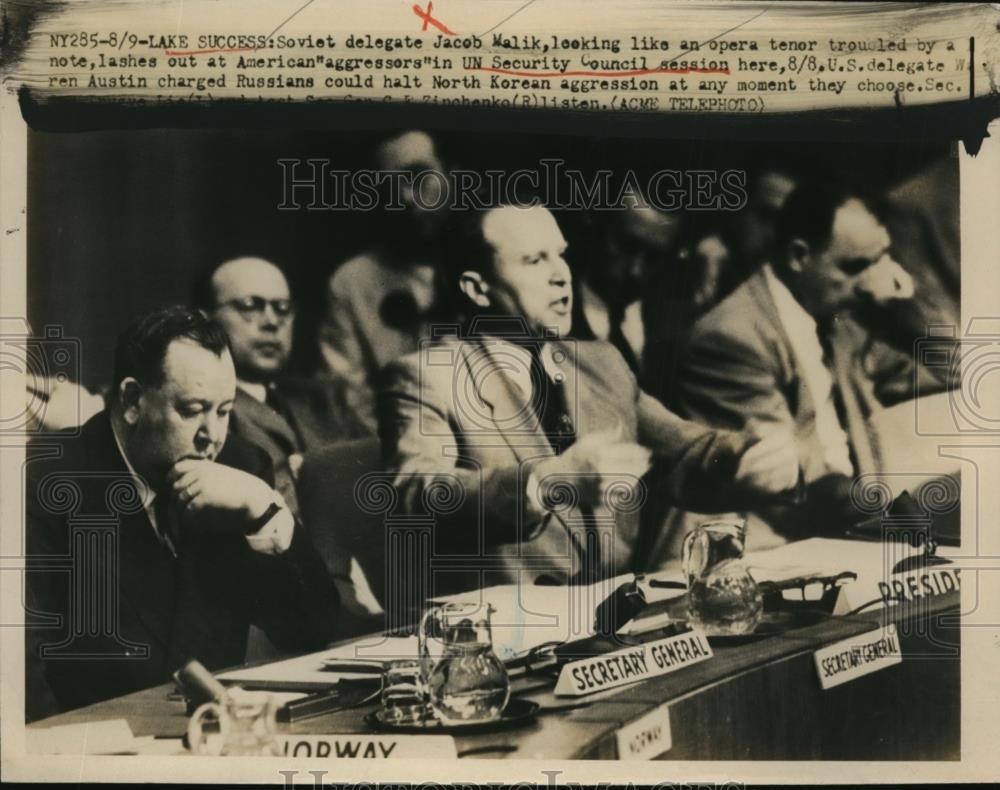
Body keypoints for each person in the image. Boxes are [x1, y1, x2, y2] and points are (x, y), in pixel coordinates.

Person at [377, 203, 801, 594]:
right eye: (534, 260)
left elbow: (686, 450)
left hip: (613, 620)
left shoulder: (602, 363)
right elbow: (414, 494)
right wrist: (545, 484)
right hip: (503, 631)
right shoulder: (429, 375)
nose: (561, 274)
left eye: (560, 254)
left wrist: (749, 458)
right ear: (477, 289)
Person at [24, 307, 338, 719]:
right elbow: (22, 675)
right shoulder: (42, 482)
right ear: (133, 401)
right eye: (191, 410)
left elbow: (312, 630)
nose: (213, 437)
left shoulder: (241, 469)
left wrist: (265, 511)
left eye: (224, 411)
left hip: (210, 736)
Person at [675, 182, 956, 537]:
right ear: (799, 256)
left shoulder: (845, 321)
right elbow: (790, 480)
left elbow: (956, 372)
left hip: (852, 526)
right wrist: (898, 512)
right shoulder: (731, 338)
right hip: (777, 543)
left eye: (882, 258)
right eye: (856, 266)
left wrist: (906, 305)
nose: (871, 283)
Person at [192, 256, 366, 514]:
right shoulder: (202, 412)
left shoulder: (326, 400)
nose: (272, 322)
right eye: (250, 306)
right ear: (206, 319)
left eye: (283, 308)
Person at [317, 130, 448, 433]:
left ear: (454, 173)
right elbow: (349, 400)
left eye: (418, 176)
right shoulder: (352, 283)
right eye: (389, 185)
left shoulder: (499, 265)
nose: (405, 197)